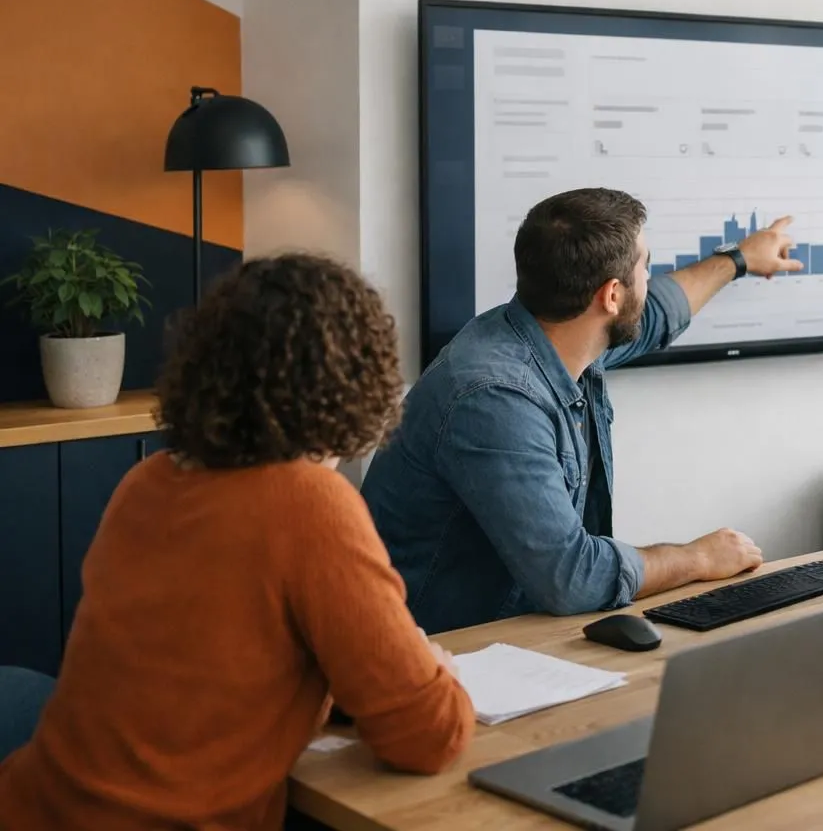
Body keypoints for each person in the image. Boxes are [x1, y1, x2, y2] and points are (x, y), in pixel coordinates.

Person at [0, 255, 475, 830]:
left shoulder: (146, 481)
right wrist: (432, 667)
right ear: (358, 382)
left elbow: (223, 665)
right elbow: (431, 736)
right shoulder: (309, 503)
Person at [364, 187, 801, 633]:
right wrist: (700, 557)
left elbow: (656, 315)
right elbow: (571, 578)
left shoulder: (552, 335)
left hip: (514, 641)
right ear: (612, 295)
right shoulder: (494, 398)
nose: (649, 279)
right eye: (645, 266)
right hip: (440, 658)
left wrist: (739, 259)